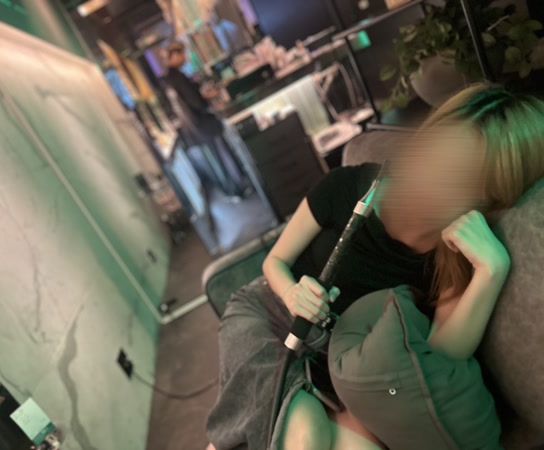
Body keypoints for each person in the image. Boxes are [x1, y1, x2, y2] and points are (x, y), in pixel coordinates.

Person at [205, 82, 544, 450]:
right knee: (304, 435)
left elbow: (440, 356)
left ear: (489, 198)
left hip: (336, 359)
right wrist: (291, 293)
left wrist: (491, 272)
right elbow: (275, 261)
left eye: (459, 179)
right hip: (269, 314)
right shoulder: (347, 186)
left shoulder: (453, 254)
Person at [164, 40, 249, 200]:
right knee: (223, 156)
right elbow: (195, 102)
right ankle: (238, 188)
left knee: (215, 161)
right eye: (183, 54)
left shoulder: (168, 80)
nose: (185, 58)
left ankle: (230, 191)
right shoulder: (179, 77)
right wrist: (208, 100)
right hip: (204, 124)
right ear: (175, 55)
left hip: (194, 128)